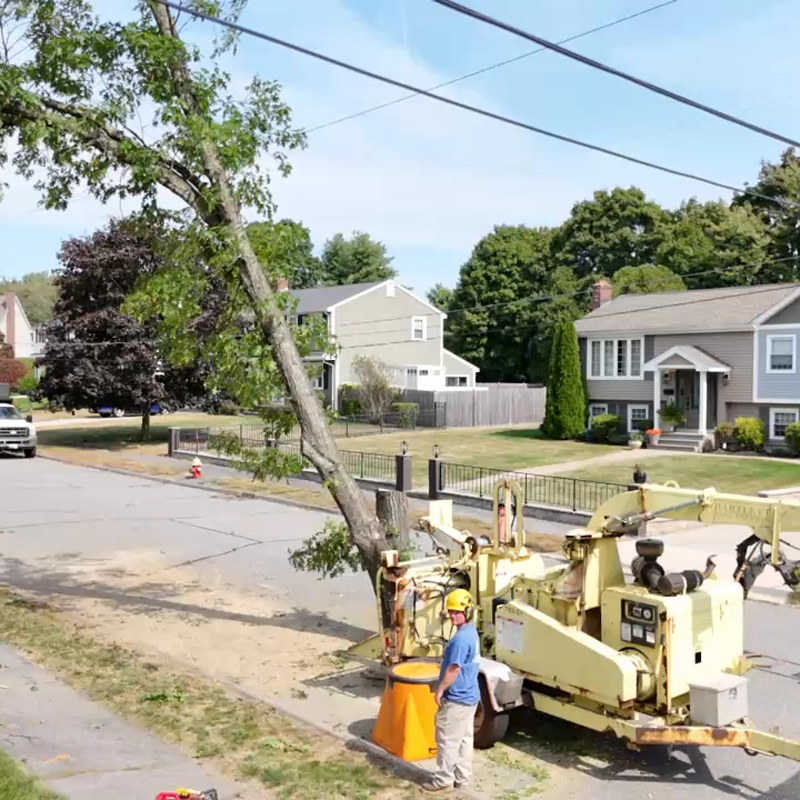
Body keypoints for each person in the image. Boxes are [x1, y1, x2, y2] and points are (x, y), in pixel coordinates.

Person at [421, 588, 480, 794]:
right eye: (451, 611)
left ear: (468, 612)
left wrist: (440, 690)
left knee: (447, 740)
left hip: (456, 699)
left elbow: (454, 669)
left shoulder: (461, 639)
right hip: (471, 697)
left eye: (458, 612)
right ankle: (462, 779)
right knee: (465, 740)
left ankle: (443, 781)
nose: (453, 615)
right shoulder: (471, 632)